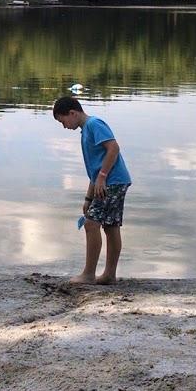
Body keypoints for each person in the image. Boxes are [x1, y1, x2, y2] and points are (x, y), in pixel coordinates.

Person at [52, 96, 131, 285]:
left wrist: (103, 177)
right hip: (110, 181)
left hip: (113, 181)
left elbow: (113, 148)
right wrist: (88, 198)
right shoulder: (85, 131)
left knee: (91, 223)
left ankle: (88, 274)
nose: (64, 126)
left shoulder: (94, 124)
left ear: (72, 113)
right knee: (111, 226)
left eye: (63, 121)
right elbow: (94, 169)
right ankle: (109, 275)